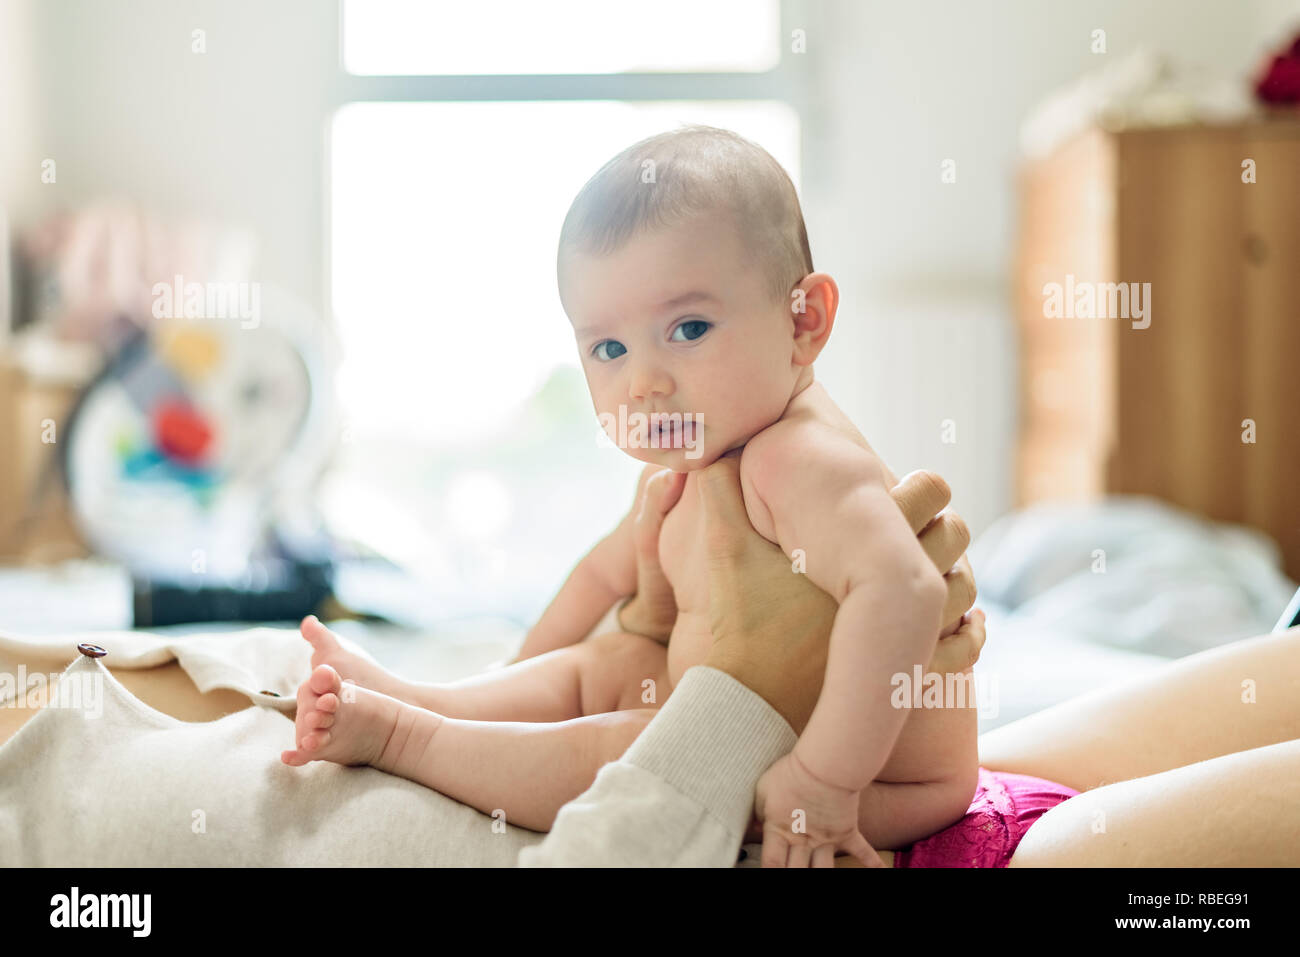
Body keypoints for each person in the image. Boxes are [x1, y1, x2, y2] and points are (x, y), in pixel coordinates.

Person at [282, 127, 977, 864]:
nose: (643, 381)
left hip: (886, 781)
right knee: (607, 664)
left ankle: (408, 737)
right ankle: (435, 702)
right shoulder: (685, 468)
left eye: (688, 328)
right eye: (609, 348)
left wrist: (824, 781)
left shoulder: (797, 458)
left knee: (633, 743)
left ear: (804, 320)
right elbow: (600, 577)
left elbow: (904, 588)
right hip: (756, 714)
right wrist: (513, 683)